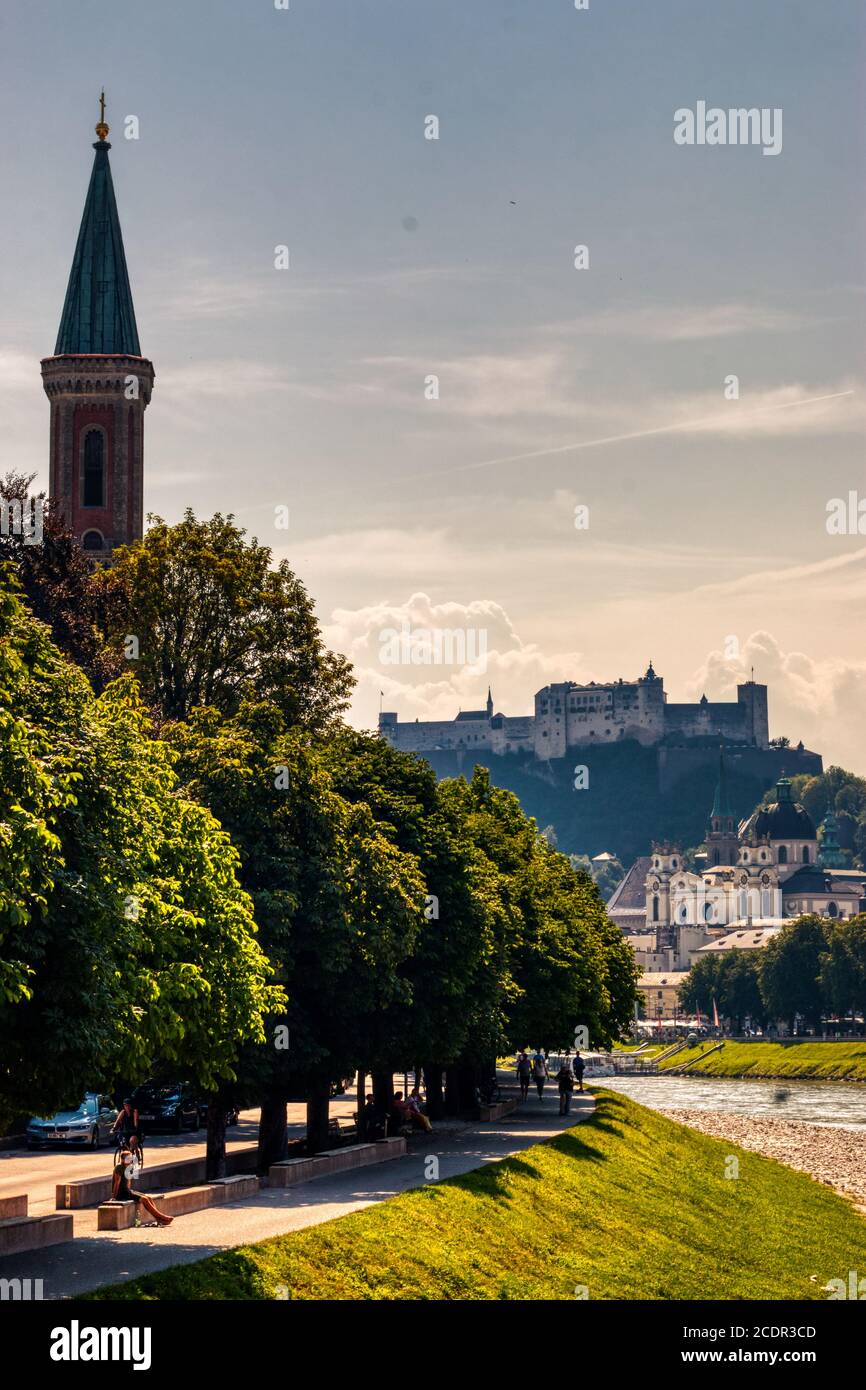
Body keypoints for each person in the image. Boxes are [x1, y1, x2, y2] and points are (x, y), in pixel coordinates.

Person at [111, 1143, 172, 1226]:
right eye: (128, 1158)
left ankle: (158, 1218)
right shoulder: (119, 1167)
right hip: (121, 1194)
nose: (130, 1160)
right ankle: (161, 1217)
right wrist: (114, 1197)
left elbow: (128, 1182)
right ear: (122, 1159)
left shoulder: (128, 1167)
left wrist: (131, 1191)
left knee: (148, 1197)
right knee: (144, 1199)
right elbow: (117, 1183)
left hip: (127, 1191)